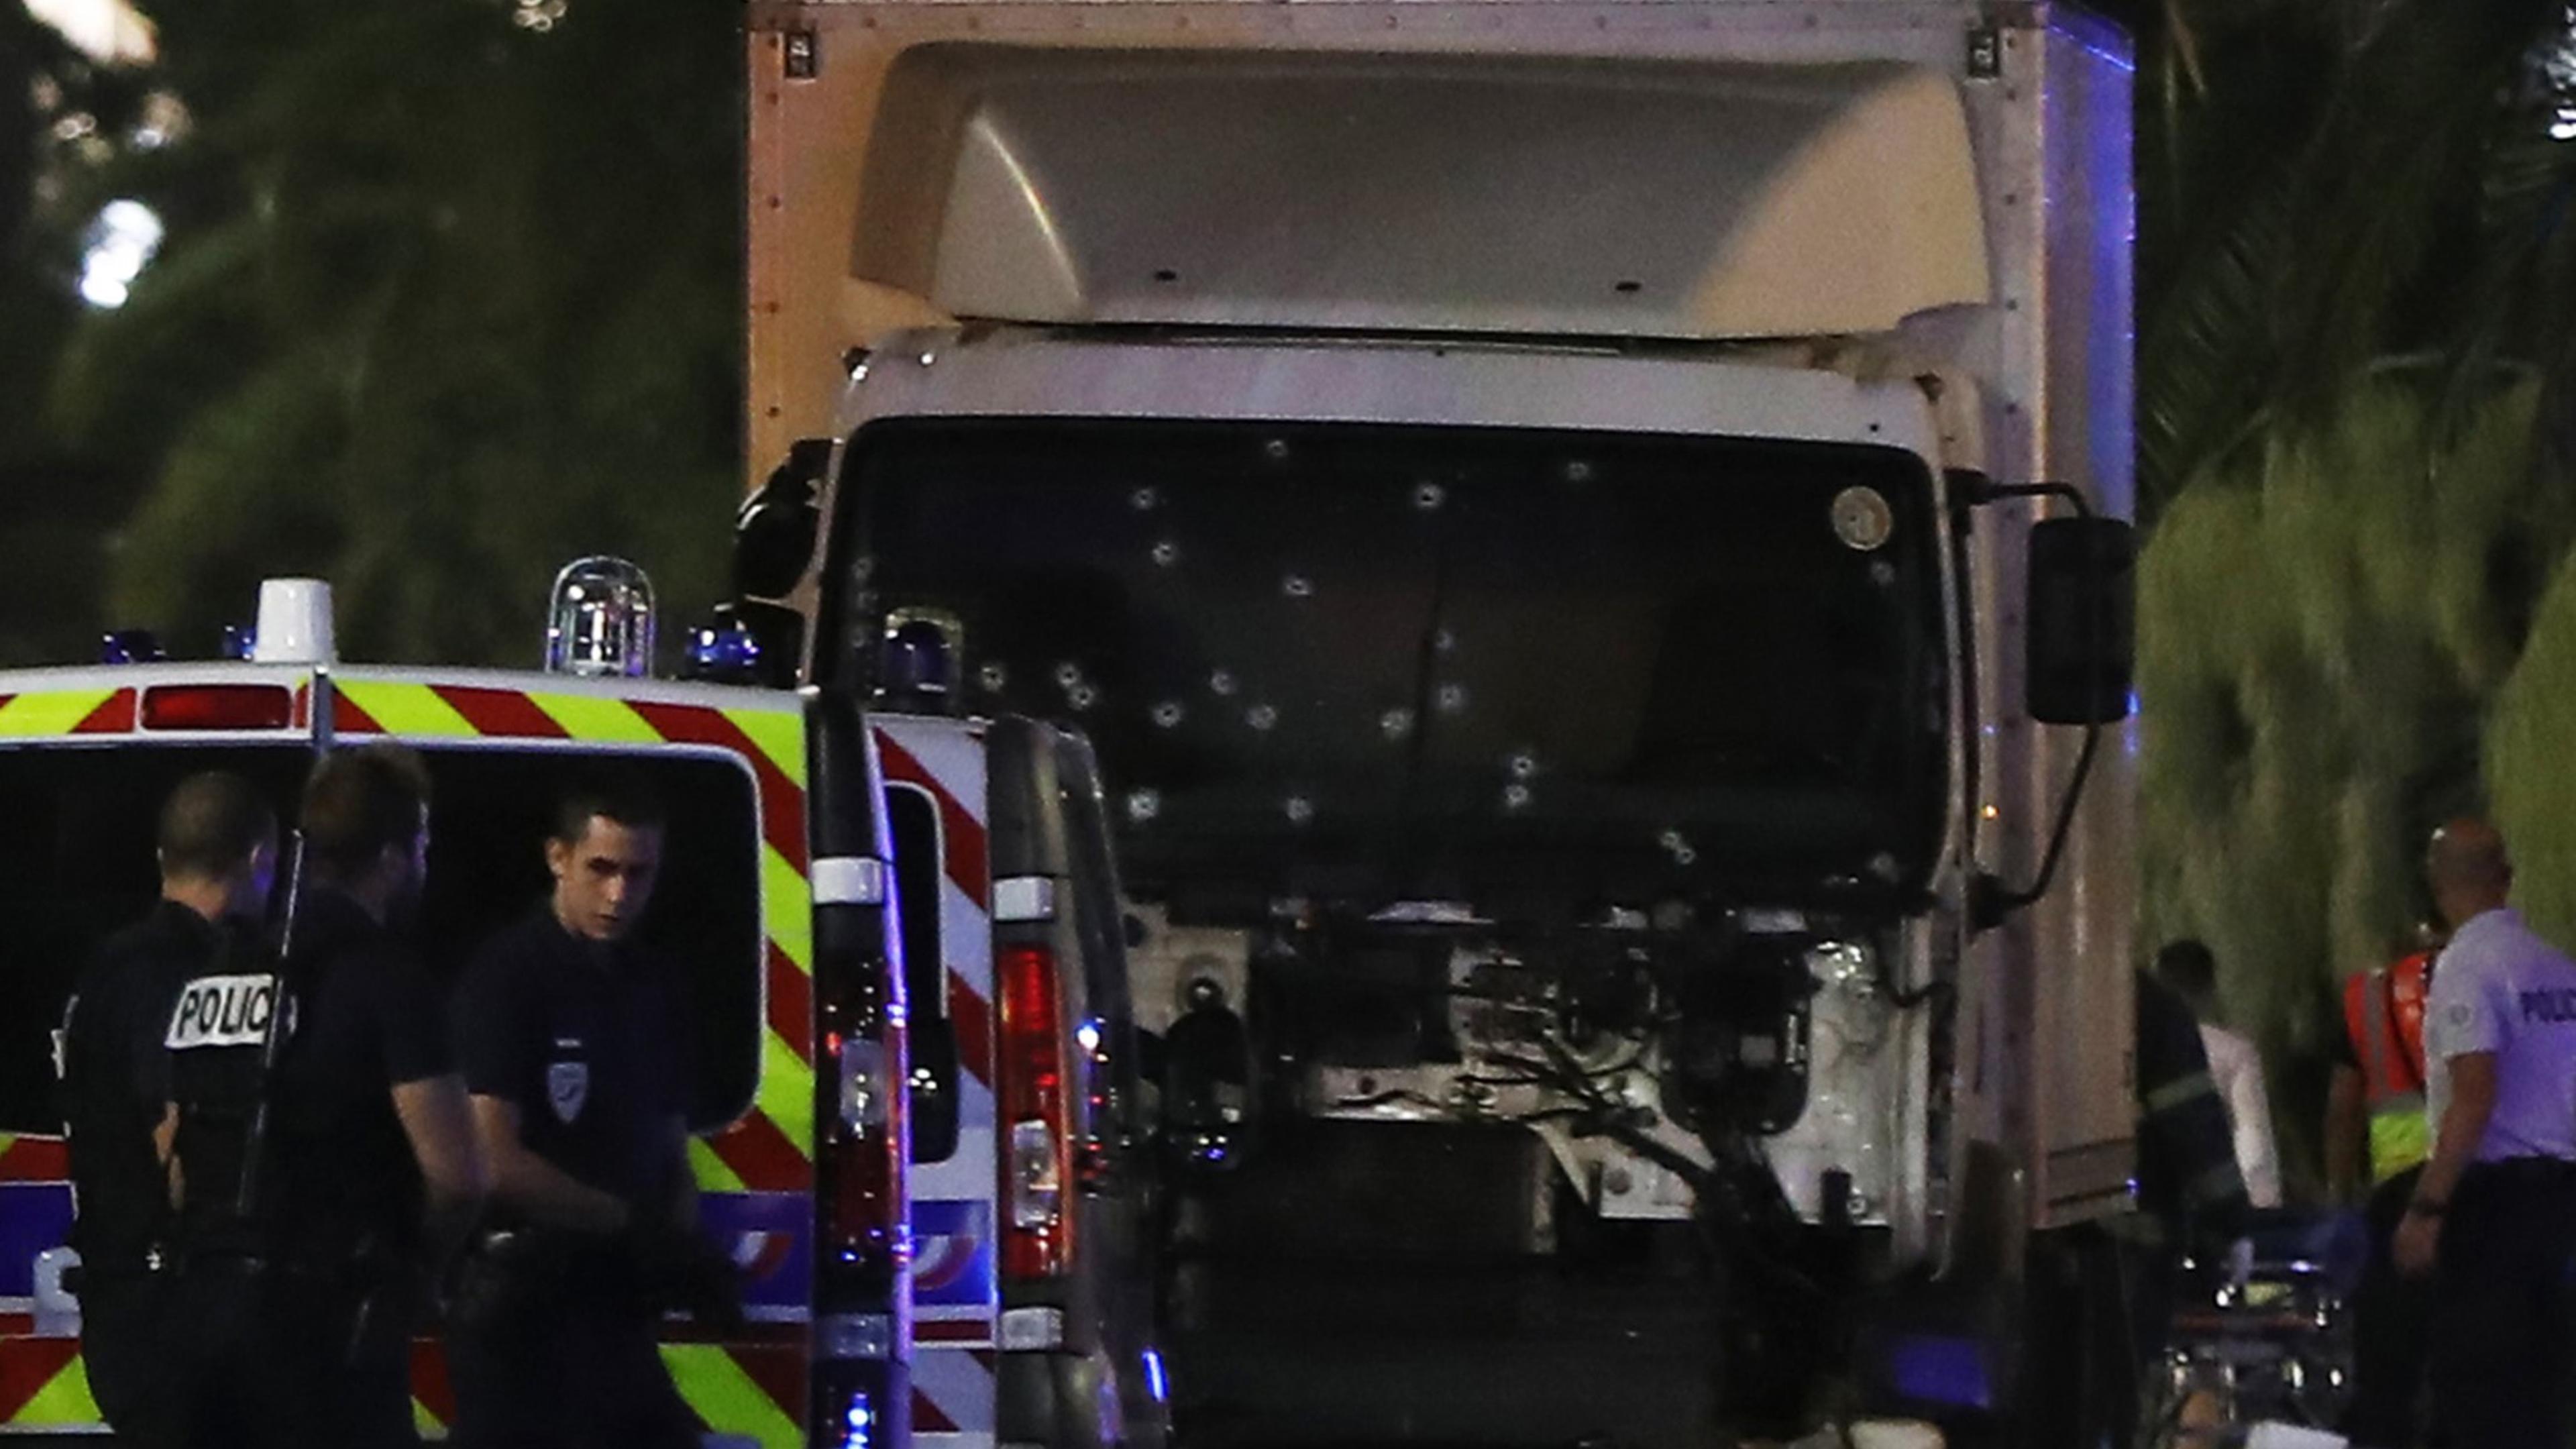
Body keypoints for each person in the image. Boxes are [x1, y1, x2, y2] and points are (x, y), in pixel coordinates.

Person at [447, 778, 714, 1449]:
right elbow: (494, 1157)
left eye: (639, 872)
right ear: (557, 858)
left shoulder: (653, 984)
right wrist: (627, 1223)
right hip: (524, 1314)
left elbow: (670, 1144)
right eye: (602, 868)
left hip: (614, 1308)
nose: (620, 894)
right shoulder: (510, 976)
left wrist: (679, 1239)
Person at [258, 742, 484, 1445]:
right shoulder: (390, 981)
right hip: (340, 1319)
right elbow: (459, 1176)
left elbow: (174, 1139)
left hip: (231, 1321)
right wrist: (419, 1272)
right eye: (420, 843)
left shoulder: (238, 964)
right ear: (394, 854)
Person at [57, 773, 276, 1448]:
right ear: (257, 859)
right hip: (178, 1306)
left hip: (123, 1305)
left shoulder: (107, 969)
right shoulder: (196, 976)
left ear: (163, 858)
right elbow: (175, 1138)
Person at [2392, 819, 2576, 1449]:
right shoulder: (2555, 969)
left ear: (2437, 884)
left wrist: (2428, 1206)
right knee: (2545, 1389)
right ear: (2508, 878)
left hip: (2496, 1206)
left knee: (2480, 1390)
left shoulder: (2466, 970)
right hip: (2561, 1200)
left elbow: (2474, 1094)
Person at [2324, 926, 2440, 1449]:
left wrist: (2338, 1193)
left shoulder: (2364, 999)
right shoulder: (2486, 982)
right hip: (2478, 1187)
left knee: (2389, 1352)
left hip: (2395, 1192)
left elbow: (2343, 1107)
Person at [2153, 938, 2282, 1210]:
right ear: (2209, 988)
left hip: (2164, 1202)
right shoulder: (2235, 1054)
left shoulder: (2142, 1050)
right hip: (2218, 1203)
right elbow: (2253, 1141)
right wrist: (2262, 1207)